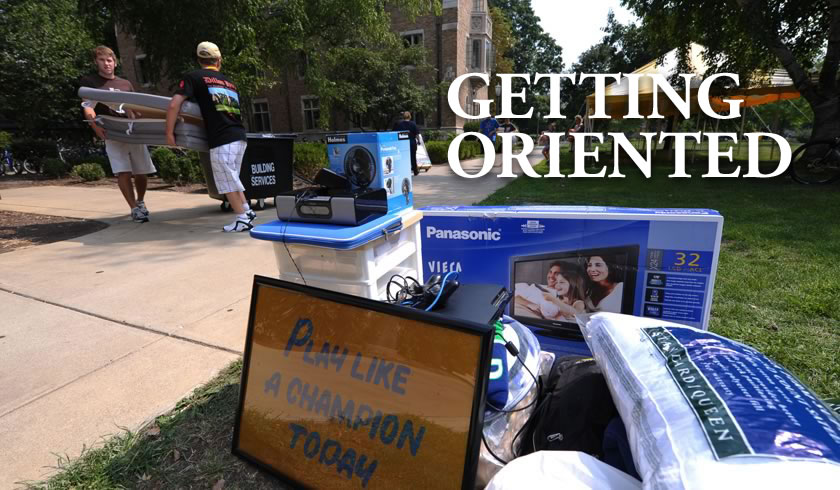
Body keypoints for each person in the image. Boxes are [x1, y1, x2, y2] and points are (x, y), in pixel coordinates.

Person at [166, 42, 252, 232]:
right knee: (232, 177)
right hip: (239, 136)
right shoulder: (229, 82)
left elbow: (174, 105)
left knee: (226, 180)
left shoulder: (194, 77)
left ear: (199, 60)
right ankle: (246, 208)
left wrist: (169, 133)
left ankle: (242, 219)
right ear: (219, 61)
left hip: (221, 138)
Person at [79, 46, 156, 223]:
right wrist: (95, 127)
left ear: (114, 62)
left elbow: (131, 108)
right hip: (112, 131)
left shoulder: (125, 84)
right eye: (102, 60)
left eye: (109, 60)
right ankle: (134, 208)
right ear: (96, 62)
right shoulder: (91, 82)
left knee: (142, 171)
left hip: (131, 130)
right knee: (123, 171)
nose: (106, 64)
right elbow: (88, 106)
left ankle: (141, 201)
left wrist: (141, 121)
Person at [515, 261, 586, 321]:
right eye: (550, 272)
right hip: (518, 312)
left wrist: (553, 300)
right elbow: (514, 297)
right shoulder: (533, 286)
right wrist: (529, 304)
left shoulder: (559, 298)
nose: (551, 276)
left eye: (556, 273)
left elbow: (574, 313)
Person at [393, 111, 419, 175]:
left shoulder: (399, 124)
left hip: (402, 143)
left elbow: (395, 133)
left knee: (403, 157)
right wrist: (419, 141)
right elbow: (417, 134)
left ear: (403, 116)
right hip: (412, 143)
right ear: (410, 116)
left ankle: (403, 170)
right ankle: (415, 170)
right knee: (413, 157)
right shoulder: (413, 124)